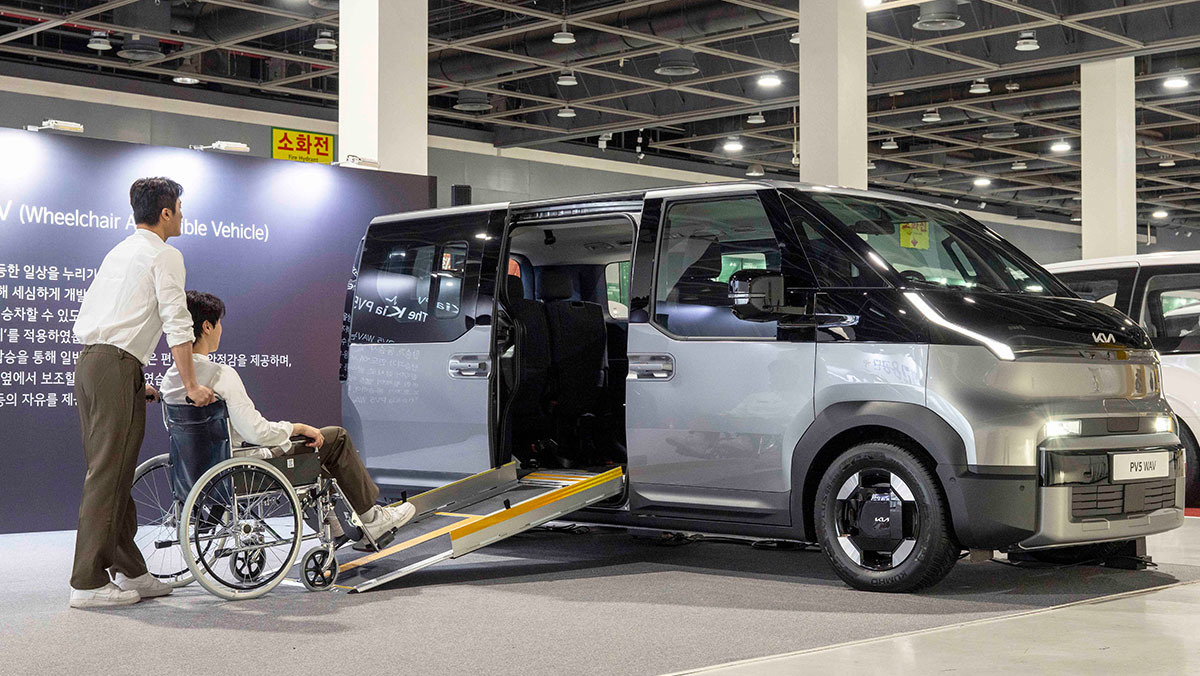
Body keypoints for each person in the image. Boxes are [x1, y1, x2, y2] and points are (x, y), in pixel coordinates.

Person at [159, 291, 415, 545]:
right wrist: (297, 427)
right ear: (207, 326)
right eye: (219, 324)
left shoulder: (170, 380)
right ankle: (372, 518)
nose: (221, 330)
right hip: (241, 471)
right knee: (335, 439)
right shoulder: (220, 374)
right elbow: (256, 432)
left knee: (309, 453)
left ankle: (335, 528)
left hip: (196, 473)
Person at [70, 177, 216, 609]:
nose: (183, 216)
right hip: (115, 367)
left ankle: (131, 571)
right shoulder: (165, 254)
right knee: (107, 476)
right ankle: (86, 583)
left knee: (112, 473)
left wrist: (134, 380)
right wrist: (191, 385)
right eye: (180, 209)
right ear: (166, 213)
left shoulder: (120, 251)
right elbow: (177, 323)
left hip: (96, 365)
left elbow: (112, 318)